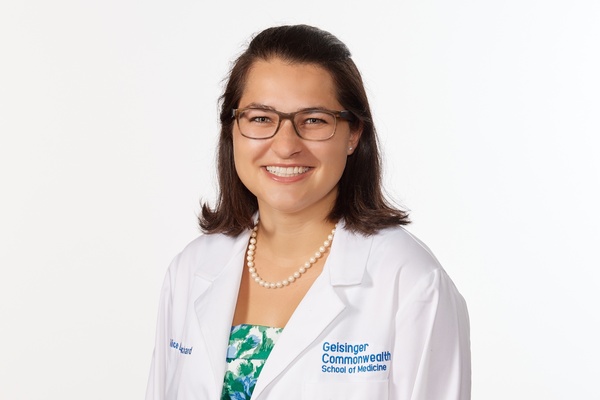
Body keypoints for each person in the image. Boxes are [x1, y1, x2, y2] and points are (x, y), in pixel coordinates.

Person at [146, 24, 471, 400]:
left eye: (314, 120)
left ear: (353, 134)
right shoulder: (190, 271)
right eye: (261, 118)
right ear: (232, 130)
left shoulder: (412, 281)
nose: (286, 146)